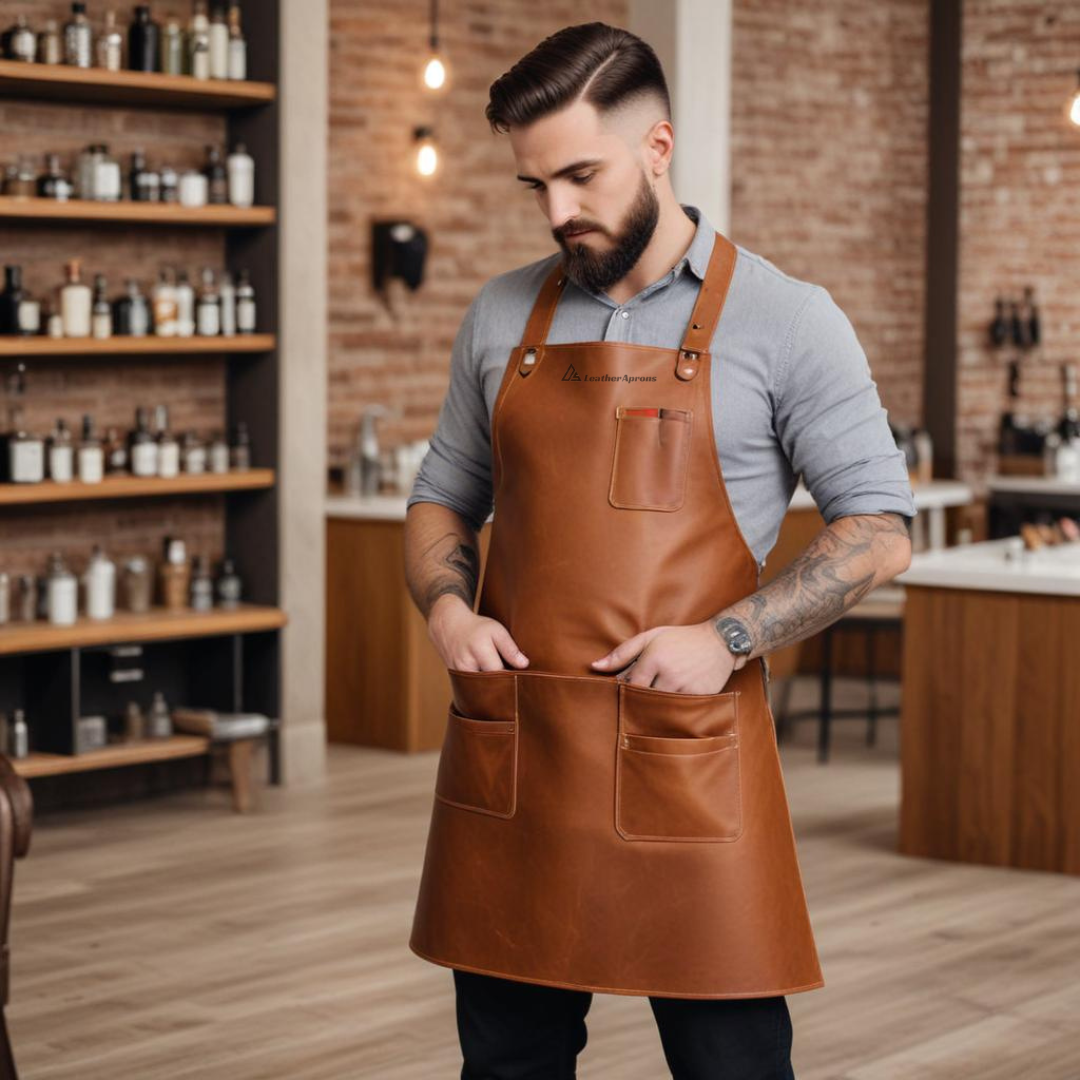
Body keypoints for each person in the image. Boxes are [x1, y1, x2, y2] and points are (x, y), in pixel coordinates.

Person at [403, 21, 916, 1080]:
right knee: (506, 1065)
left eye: (580, 176)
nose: (557, 213)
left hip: (690, 759)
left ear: (659, 147)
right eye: (533, 187)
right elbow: (440, 501)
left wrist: (726, 637)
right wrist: (450, 613)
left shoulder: (788, 320)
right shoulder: (502, 315)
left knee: (734, 1065)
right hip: (520, 759)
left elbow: (879, 534)